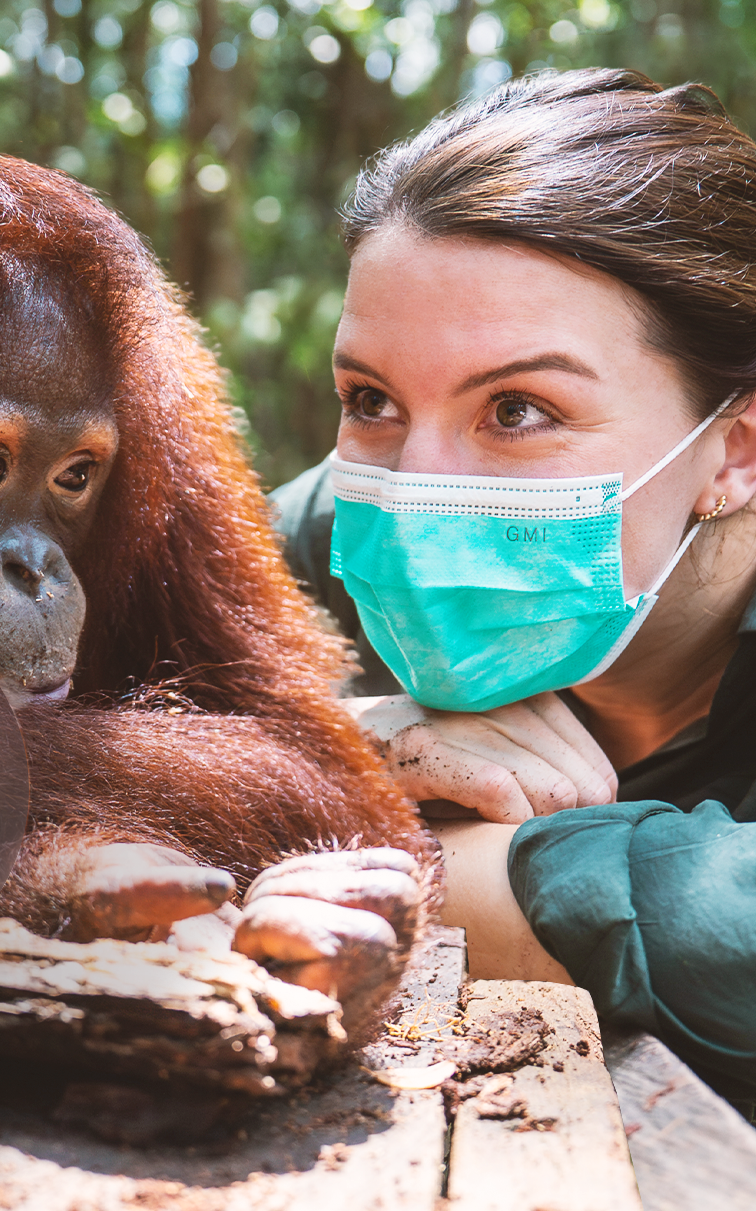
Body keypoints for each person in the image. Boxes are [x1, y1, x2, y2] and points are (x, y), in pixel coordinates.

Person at [272, 67, 756, 1119]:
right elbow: (42, 731)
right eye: (372, 400)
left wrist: (421, 856)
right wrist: (348, 746)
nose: (414, 491)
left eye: (520, 410)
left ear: (737, 452)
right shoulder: (321, 537)